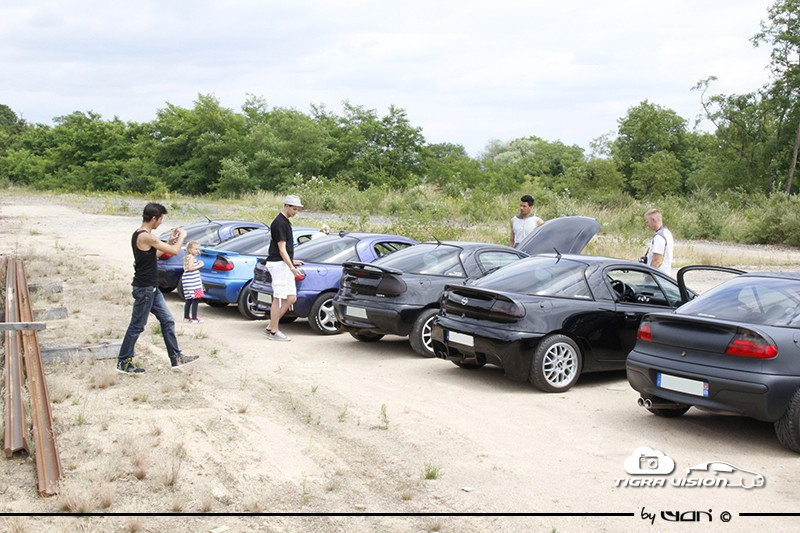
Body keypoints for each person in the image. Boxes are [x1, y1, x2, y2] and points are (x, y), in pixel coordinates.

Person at [117, 203, 199, 374]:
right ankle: (123, 361)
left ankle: (176, 358)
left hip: (152, 288)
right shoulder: (146, 236)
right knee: (137, 325)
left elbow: (154, 255)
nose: (161, 223)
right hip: (145, 288)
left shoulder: (141, 235)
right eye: (161, 219)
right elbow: (175, 251)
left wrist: (169, 241)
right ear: (154, 218)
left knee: (167, 320)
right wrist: (182, 237)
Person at [264, 195, 305, 341]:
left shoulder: (285, 222)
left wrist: (291, 261)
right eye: (294, 209)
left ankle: (270, 326)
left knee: (291, 298)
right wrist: (292, 267)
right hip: (278, 264)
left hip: (283, 263)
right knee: (278, 298)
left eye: (297, 209)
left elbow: (283, 249)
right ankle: (274, 331)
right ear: (286, 206)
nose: (296, 212)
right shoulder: (280, 223)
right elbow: (281, 249)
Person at [644, 208, 674, 276]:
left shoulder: (659, 237)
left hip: (657, 276)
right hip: (665, 274)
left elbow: (656, 260)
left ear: (653, 220)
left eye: (647, 222)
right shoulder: (667, 233)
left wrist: (649, 275)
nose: (647, 224)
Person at [181, 240, 205, 323]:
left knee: (189, 299)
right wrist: (200, 265)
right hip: (193, 281)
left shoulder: (187, 257)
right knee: (196, 298)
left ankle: (186, 317)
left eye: (198, 249)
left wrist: (196, 264)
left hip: (188, 281)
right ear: (189, 249)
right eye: (196, 249)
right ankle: (194, 318)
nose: (198, 251)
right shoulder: (191, 257)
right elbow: (190, 268)